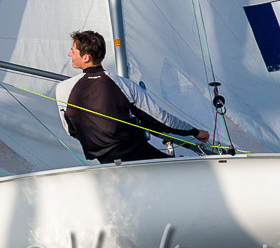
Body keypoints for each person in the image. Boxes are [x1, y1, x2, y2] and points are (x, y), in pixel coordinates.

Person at [55, 30, 209, 163]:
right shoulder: (125, 85)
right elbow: (160, 120)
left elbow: (71, 130)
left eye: (72, 51)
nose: (69, 54)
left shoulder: (63, 89)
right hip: (136, 154)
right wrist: (194, 132)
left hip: (106, 161)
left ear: (86, 57)